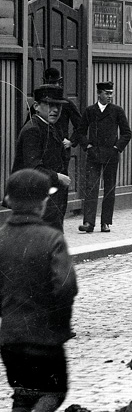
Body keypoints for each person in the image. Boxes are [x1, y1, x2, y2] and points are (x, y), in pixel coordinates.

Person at [0, 169, 77, 412]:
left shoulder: (0, 238)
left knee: (23, 394)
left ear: (9, 201)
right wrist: (60, 324)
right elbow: (66, 286)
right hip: (44, 337)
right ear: (43, 202)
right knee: (53, 391)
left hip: (11, 337)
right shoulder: (51, 238)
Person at [73, 81, 132, 233]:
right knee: (91, 188)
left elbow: (127, 133)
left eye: (111, 93)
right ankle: (88, 222)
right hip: (94, 156)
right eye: (107, 93)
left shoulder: (117, 111)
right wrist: (87, 146)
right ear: (99, 94)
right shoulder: (90, 111)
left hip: (111, 156)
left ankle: (105, 222)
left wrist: (116, 148)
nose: (110, 96)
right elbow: (80, 131)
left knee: (109, 189)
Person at [13, 85, 71, 231]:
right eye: (50, 105)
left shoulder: (50, 127)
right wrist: (58, 177)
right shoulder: (33, 130)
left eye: (58, 105)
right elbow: (33, 168)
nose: (56, 110)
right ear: (36, 106)